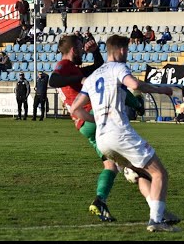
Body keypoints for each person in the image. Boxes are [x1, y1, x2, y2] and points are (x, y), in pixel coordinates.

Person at [70, 35, 179, 232]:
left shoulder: (93, 76)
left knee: (141, 174)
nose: (127, 54)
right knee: (159, 173)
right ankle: (156, 220)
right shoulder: (118, 68)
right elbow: (135, 85)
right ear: (120, 50)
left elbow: (75, 109)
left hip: (102, 139)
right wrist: (161, 90)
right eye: (126, 50)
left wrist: (97, 120)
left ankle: (159, 212)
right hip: (120, 133)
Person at [49, 34, 153, 223]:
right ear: (74, 50)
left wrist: (96, 52)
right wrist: (80, 77)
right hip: (91, 116)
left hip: (83, 124)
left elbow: (97, 68)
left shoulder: (73, 68)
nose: (82, 51)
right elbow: (53, 81)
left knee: (110, 166)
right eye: (80, 48)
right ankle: (152, 200)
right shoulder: (64, 66)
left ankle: (99, 201)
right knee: (116, 88)